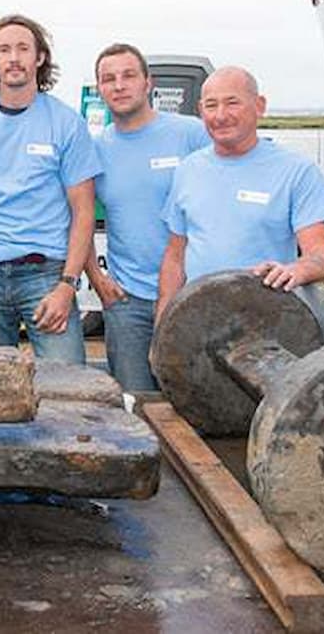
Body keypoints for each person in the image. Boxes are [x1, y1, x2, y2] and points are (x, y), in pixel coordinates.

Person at [0, 14, 100, 364]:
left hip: (45, 275)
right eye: (5, 50)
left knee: (68, 381)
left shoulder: (66, 123)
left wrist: (67, 285)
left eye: (23, 49)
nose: (14, 58)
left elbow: (83, 210)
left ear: (39, 58)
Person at [158, 66, 324, 316]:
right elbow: (175, 257)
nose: (221, 115)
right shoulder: (188, 170)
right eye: (211, 106)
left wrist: (297, 270)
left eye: (232, 103)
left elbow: (323, 255)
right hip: (198, 321)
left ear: (259, 105)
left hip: (266, 319)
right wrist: (163, 319)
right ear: (201, 111)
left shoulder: (297, 171)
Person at [84, 44, 210, 391]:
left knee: (197, 401)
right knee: (134, 403)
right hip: (127, 301)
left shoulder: (191, 134)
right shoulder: (95, 150)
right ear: (100, 89)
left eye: (128, 76)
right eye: (108, 79)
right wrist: (96, 278)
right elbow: (75, 219)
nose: (119, 85)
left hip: (193, 294)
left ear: (147, 83)